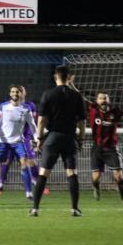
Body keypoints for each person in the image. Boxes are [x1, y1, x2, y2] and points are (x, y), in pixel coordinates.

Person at [69, 76, 123, 202]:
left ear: (109, 99)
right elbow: (78, 96)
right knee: (96, 177)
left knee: (119, 176)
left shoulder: (116, 111)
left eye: (105, 98)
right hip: (96, 148)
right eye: (101, 98)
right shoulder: (92, 108)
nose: (103, 100)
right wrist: (71, 85)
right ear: (97, 100)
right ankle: (96, 187)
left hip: (111, 148)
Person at [30, 65, 86, 217]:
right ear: (69, 78)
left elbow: (41, 121)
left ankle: (35, 209)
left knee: (43, 173)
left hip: (53, 137)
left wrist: (39, 139)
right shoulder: (76, 96)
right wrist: (81, 139)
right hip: (69, 137)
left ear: (55, 77)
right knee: (72, 173)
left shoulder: (48, 94)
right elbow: (82, 122)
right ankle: (74, 208)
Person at [0, 85, 38, 203]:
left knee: (24, 164)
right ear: (9, 94)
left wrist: (37, 139)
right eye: (12, 92)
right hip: (2, 142)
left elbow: (33, 125)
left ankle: (28, 193)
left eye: (17, 92)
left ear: (20, 94)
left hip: (18, 142)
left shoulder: (26, 108)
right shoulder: (2, 107)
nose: (15, 94)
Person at [0, 86, 50, 197]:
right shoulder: (6, 105)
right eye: (17, 91)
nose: (19, 93)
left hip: (24, 138)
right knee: (6, 161)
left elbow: (32, 123)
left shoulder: (30, 106)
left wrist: (31, 138)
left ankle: (37, 183)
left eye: (21, 91)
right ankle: (0, 184)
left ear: (24, 93)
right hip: (9, 138)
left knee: (31, 161)